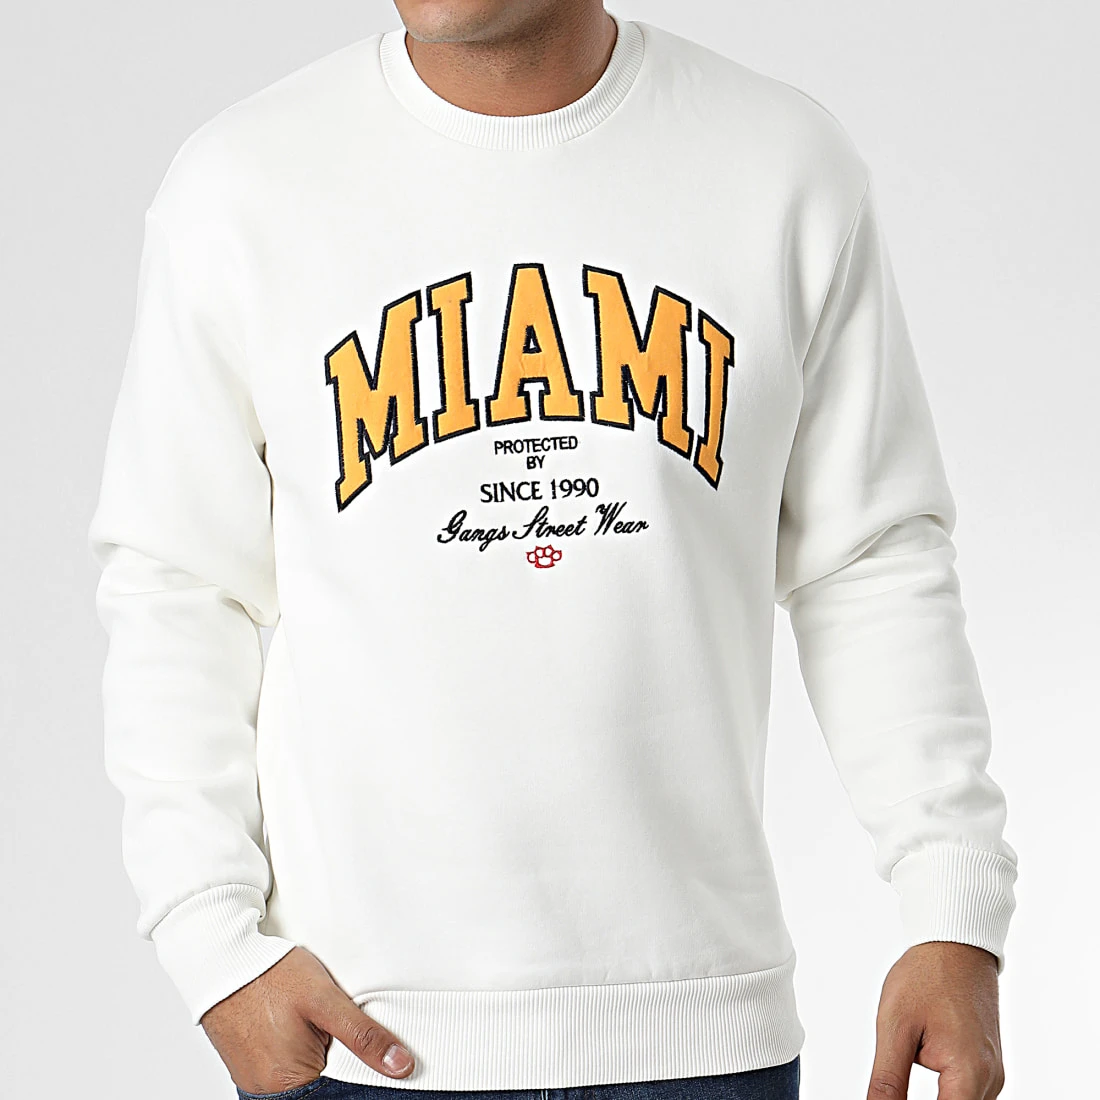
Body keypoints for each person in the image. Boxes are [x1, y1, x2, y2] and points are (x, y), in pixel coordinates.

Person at [86, 3, 1017, 1099]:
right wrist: (210, 943)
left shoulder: (780, 165)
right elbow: (178, 583)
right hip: (361, 1038)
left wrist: (953, 909)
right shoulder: (242, 187)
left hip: (701, 1041)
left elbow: (866, 562)